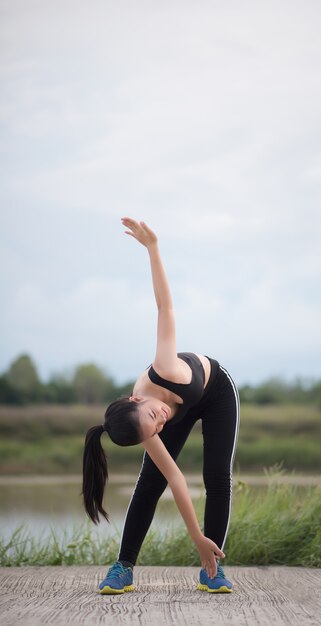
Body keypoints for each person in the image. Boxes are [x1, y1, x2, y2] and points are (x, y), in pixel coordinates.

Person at [82, 217, 240, 595]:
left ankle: (211, 568)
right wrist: (194, 534)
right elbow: (175, 479)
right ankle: (123, 566)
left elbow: (164, 308)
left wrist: (153, 249)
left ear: (137, 399)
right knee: (149, 481)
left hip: (215, 391)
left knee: (217, 476)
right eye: (154, 429)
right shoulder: (144, 425)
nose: (161, 422)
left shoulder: (164, 368)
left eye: (154, 417)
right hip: (180, 402)